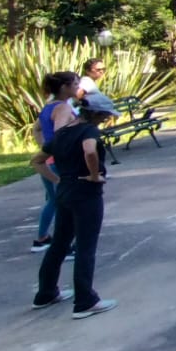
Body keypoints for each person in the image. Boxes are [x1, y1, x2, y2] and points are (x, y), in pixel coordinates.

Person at [32, 90, 123, 319]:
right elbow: (90, 150)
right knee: (85, 246)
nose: (106, 120)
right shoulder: (89, 131)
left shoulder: (62, 133)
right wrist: (94, 175)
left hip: (65, 191)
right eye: (104, 116)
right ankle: (85, 301)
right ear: (96, 114)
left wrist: (57, 179)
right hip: (86, 194)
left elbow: (37, 160)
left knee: (59, 244)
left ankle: (46, 292)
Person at [30, 71, 79, 252]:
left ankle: (43, 238)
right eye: (75, 84)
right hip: (61, 162)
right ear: (64, 87)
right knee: (66, 204)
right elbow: (60, 132)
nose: (78, 88)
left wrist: (45, 148)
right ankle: (64, 245)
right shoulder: (63, 108)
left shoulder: (48, 106)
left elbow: (37, 130)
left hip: (50, 160)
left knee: (54, 200)